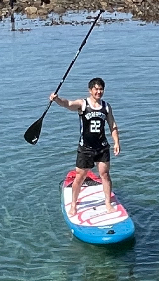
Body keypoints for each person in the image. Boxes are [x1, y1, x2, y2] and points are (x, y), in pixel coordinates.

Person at [50, 77, 120, 215]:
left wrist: (116, 142)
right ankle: (74, 205)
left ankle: (107, 203)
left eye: (101, 89)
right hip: (85, 148)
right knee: (80, 177)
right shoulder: (83, 104)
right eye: (96, 89)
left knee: (105, 174)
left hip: (102, 147)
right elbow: (68, 104)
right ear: (90, 90)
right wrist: (57, 100)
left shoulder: (106, 106)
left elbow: (112, 125)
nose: (99, 92)